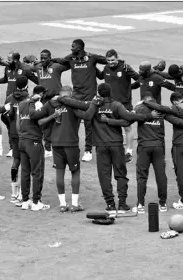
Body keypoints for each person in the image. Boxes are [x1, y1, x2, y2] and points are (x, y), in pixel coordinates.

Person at [58, 84, 162, 215]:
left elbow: (75, 104)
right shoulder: (117, 105)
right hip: (116, 145)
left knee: (104, 176)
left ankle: (110, 205)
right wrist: (149, 116)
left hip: (101, 146)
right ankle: (123, 205)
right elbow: (129, 117)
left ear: (98, 93)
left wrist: (60, 99)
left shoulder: (93, 105)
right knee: (121, 175)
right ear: (110, 92)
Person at [29, 85, 84, 212]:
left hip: (56, 144)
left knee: (60, 172)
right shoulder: (74, 104)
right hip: (71, 143)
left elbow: (37, 117)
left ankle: (62, 205)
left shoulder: (50, 104)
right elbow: (86, 114)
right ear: (70, 94)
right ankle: (75, 204)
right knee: (75, 172)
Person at [52, 39, 107, 162]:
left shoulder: (91, 58)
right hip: (76, 95)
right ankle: (72, 146)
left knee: (88, 123)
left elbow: (106, 60)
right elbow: (61, 61)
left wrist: (117, 64)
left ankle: (88, 150)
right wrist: (51, 60)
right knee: (73, 121)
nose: (71, 48)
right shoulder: (71, 58)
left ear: (80, 47)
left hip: (89, 94)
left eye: (73, 46)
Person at [96, 49, 139, 163]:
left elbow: (139, 79)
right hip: (110, 103)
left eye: (113, 60)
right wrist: (91, 65)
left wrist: (131, 87)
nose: (111, 62)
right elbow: (100, 77)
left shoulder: (125, 67)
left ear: (117, 57)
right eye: (108, 60)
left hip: (124, 103)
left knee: (127, 127)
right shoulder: (106, 68)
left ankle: (129, 152)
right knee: (111, 127)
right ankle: (114, 150)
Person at [0, 51, 39, 157]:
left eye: (9, 59)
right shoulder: (7, 68)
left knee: (22, 122)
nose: (7, 61)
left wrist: (40, 92)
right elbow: (6, 79)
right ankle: (13, 147)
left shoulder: (25, 69)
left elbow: (37, 80)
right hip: (10, 100)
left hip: (22, 100)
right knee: (8, 121)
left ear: (15, 60)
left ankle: (22, 145)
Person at [32, 49, 70, 158]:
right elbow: (27, 69)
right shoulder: (38, 67)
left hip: (56, 99)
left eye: (45, 58)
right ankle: (48, 148)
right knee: (46, 124)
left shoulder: (56, 67)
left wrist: (56, 60)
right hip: (44, 100)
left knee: (59, 121)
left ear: (50, 58)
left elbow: (69, 64)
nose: (43, 60)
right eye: (41, 58)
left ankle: (60, 146)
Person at [17, 87, 50, 211]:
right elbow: (40, 122)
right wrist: (52, 117)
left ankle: (25, 201)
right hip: (34, 141)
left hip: (22, 140)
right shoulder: (38, 103)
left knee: (25, 172)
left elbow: (17, 122)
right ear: (41, 94)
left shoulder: (21, 104)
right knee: (37, 172)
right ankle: (36, 202)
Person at [4, 76, 30, 203]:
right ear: (26, 85)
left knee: (16, 161)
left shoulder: (9, 98)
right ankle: (22, 194)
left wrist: (10, 126)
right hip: (26, 134)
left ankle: (14, 192)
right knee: (25, 163)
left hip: (14, 134)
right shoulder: (28, 99)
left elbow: (3, 116)